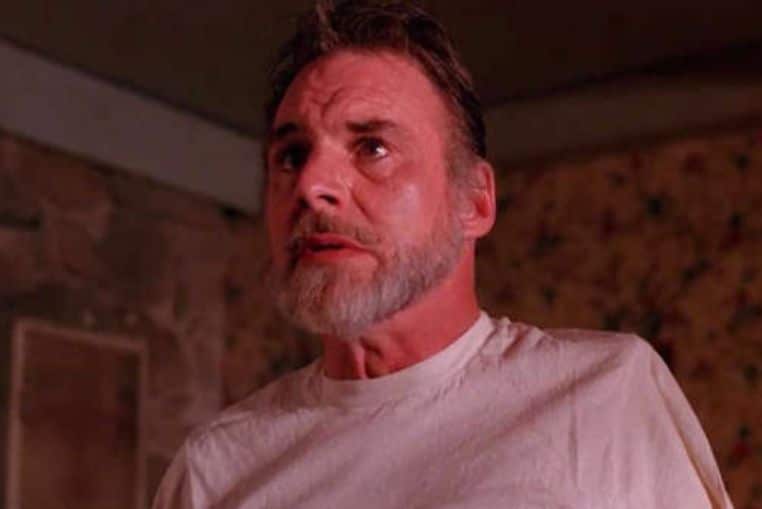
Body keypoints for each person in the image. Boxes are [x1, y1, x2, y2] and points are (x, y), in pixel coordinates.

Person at [153, 1, 734, 507]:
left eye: (372, 147)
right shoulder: (215, 469)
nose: (311, 185)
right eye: (291, 156)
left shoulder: (605, 398)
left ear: (474, 201)